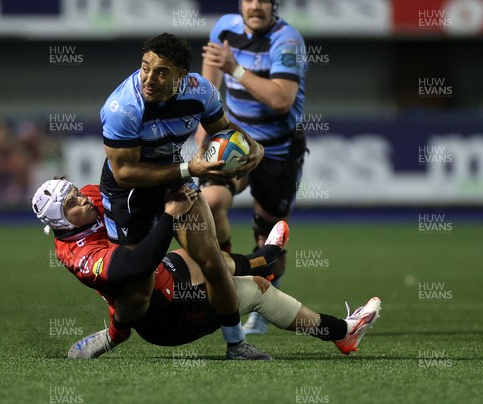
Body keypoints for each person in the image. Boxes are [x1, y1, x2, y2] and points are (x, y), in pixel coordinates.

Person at [30, 179, 381, 359]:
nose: (85, 198)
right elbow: (137, 264)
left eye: (76, 191)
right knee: (256, 288)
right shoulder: (76, 253)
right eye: (72, 202)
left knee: (209, 257)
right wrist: (169, 214)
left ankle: (266, 255)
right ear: (61, 221)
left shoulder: (91, 196)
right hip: (164, 318)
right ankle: (341, 331)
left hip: (162, 277)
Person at [99, 33, 267, 357]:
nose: (149, 78)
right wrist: (190, 170)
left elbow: (223, 129)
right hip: (128, 194)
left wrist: (253, 146)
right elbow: (125, 172)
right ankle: (112, 336)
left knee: (213, 262)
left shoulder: (200, 91)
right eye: (145, 67)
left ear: (181, 75)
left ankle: (236, 344)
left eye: (161, 71)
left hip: (176, 180)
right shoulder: (123, 108)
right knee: (137, 290)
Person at [196, 0, 309, 334]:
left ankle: (264, 303)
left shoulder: (287, 40)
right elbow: (211, 73)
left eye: (264, 0)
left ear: (275, 5)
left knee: (268, 234)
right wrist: (206, 116)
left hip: (278, 150)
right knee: (211, 203)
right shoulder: (225, 28)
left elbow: (281, 99)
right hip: (237, 142)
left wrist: (236, 69)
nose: (255, 5)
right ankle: (227, 282)